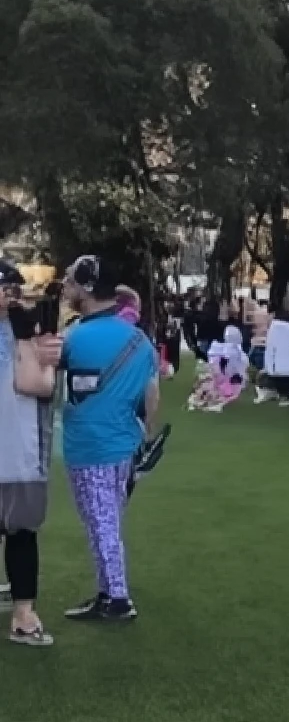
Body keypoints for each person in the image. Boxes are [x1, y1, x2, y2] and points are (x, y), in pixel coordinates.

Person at [60, 255, 160, 622]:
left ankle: (118, 597)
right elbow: (151, 397)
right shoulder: (138, 339)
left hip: (90, 445)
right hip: (123, 445)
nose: (65, 287)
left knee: (101, 522)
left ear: (86, 289)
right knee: (106, 518)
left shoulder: (74, 337)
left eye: (70, 281)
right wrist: (146, 437)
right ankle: (108, 593)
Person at [0, 262, 63, 646]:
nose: (10, 293)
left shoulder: (32, 332)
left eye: (12, 287)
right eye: (3, 287)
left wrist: (40, 346)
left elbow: (39, 386)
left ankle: (24, 613)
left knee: (22, 531)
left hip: (21, 447)